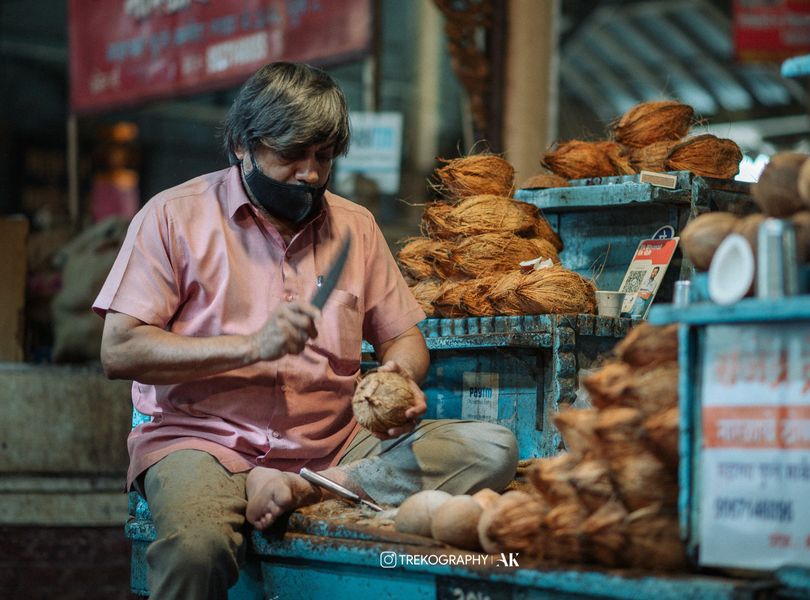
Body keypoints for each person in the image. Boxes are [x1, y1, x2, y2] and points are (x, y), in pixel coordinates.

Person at [93, 62, 518, 599]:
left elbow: (403, 339)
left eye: (323, 157)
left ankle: (305, 489)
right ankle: (256, 483)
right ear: (242, 147)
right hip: (204, 444)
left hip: (335, 447)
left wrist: (398, 377)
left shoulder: (356, 228)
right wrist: (252, 346)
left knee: (491, 450)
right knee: (194, 550)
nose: (311, 174)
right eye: (291, 154)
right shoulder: (173, 217)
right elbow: (121, 348)